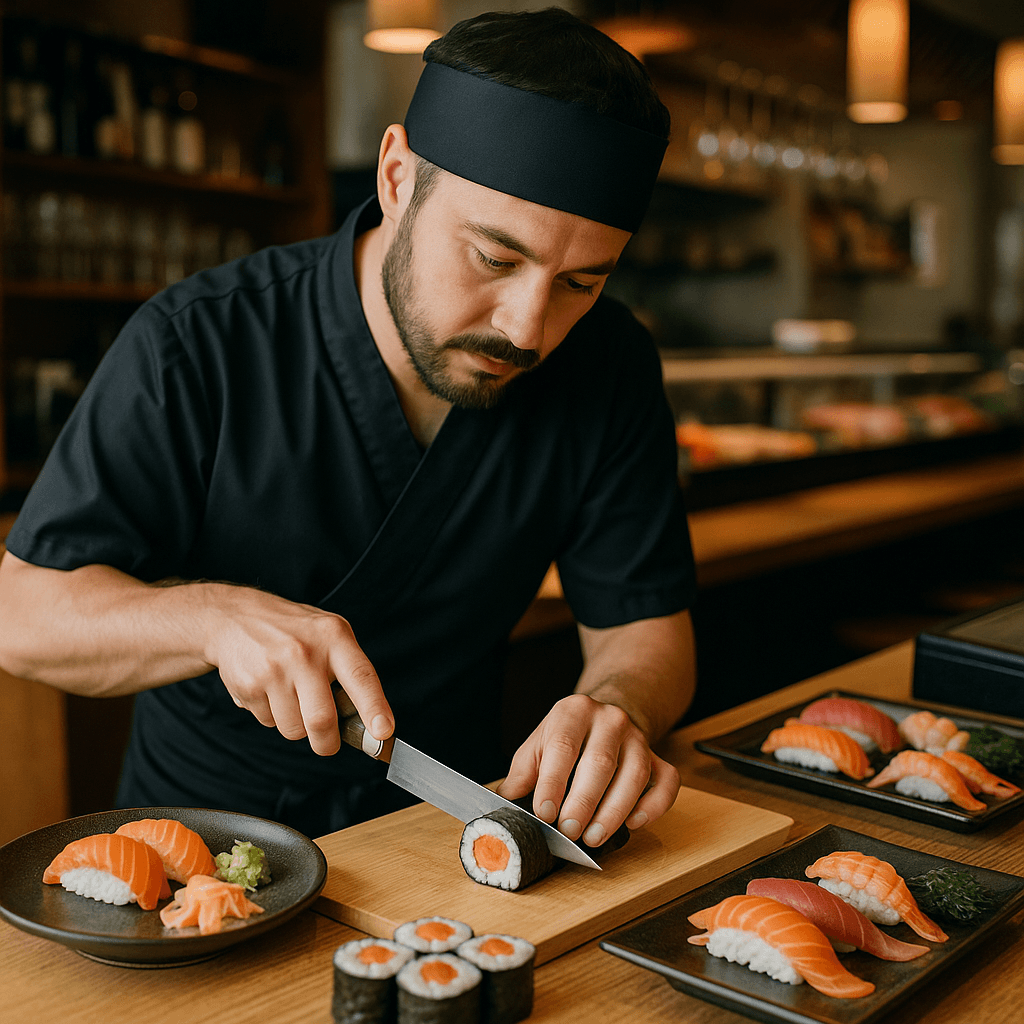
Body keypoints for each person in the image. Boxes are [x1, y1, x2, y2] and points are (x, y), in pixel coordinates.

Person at [0, 8, 698, 843]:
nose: (527, 328)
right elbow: (24, 615)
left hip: (453, 826)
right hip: (204, 839)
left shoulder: (609, 366)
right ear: (397, 177)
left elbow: (645, 626)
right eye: (494, 259)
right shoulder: (200, 341)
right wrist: (213, 617)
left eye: (582, 282)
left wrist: (617, 705)